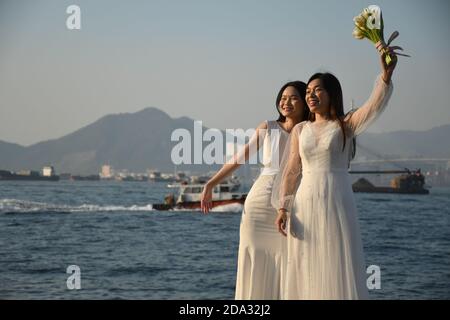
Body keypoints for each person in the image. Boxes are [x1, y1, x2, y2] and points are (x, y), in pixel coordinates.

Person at [274, 45, 397, 299]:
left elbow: (373, 106)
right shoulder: (300, 130)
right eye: (307, 91)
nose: (311, 95)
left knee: (337, 257)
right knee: (306, 259)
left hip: (337, 200)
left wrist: (385, 76)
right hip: (305, 202)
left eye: (317, 90)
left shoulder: (345, 125)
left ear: (332, 94)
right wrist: (284, 207)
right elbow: (291, 171)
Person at [201, 81, 310, 299]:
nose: (286, 102)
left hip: (293, 204)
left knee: (291, 260)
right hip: (259, 203)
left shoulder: (309, 130)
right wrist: (211, 183)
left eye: (293, 97)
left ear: (305, 101)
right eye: (283, 97)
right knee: (254, 257)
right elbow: (239, 158)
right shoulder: (268, 127)